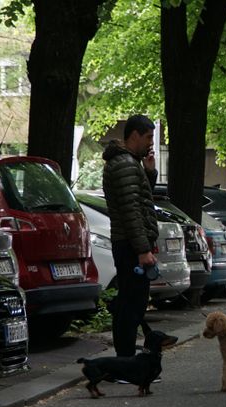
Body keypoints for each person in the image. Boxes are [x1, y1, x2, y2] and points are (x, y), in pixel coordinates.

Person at [102, 114, 159, 356]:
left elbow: (139, 199)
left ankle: (126, 359)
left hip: (128, 243)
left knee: (131, 303)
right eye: (148, 137)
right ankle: (126, 362)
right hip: (129, 245)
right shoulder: (125, 164)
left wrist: (149, 174)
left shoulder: (128, 163)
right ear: (134, 135)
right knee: (131, 305)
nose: (151, 143)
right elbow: (131, 210)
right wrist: (143, 250)